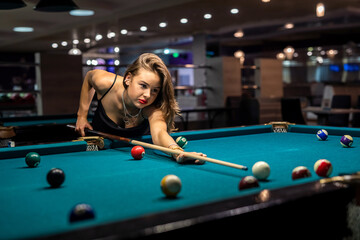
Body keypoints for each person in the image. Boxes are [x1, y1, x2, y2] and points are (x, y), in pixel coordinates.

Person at [75, 53, 205, 164]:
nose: (148, 95)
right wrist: (82, 115)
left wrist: (177, 153)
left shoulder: (152, 109)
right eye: (143, 86)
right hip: (95, 148)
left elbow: (160, 134)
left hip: (137, 156)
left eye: (154, 90)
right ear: (128, 79)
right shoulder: (106, 83)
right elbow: (89, 77)